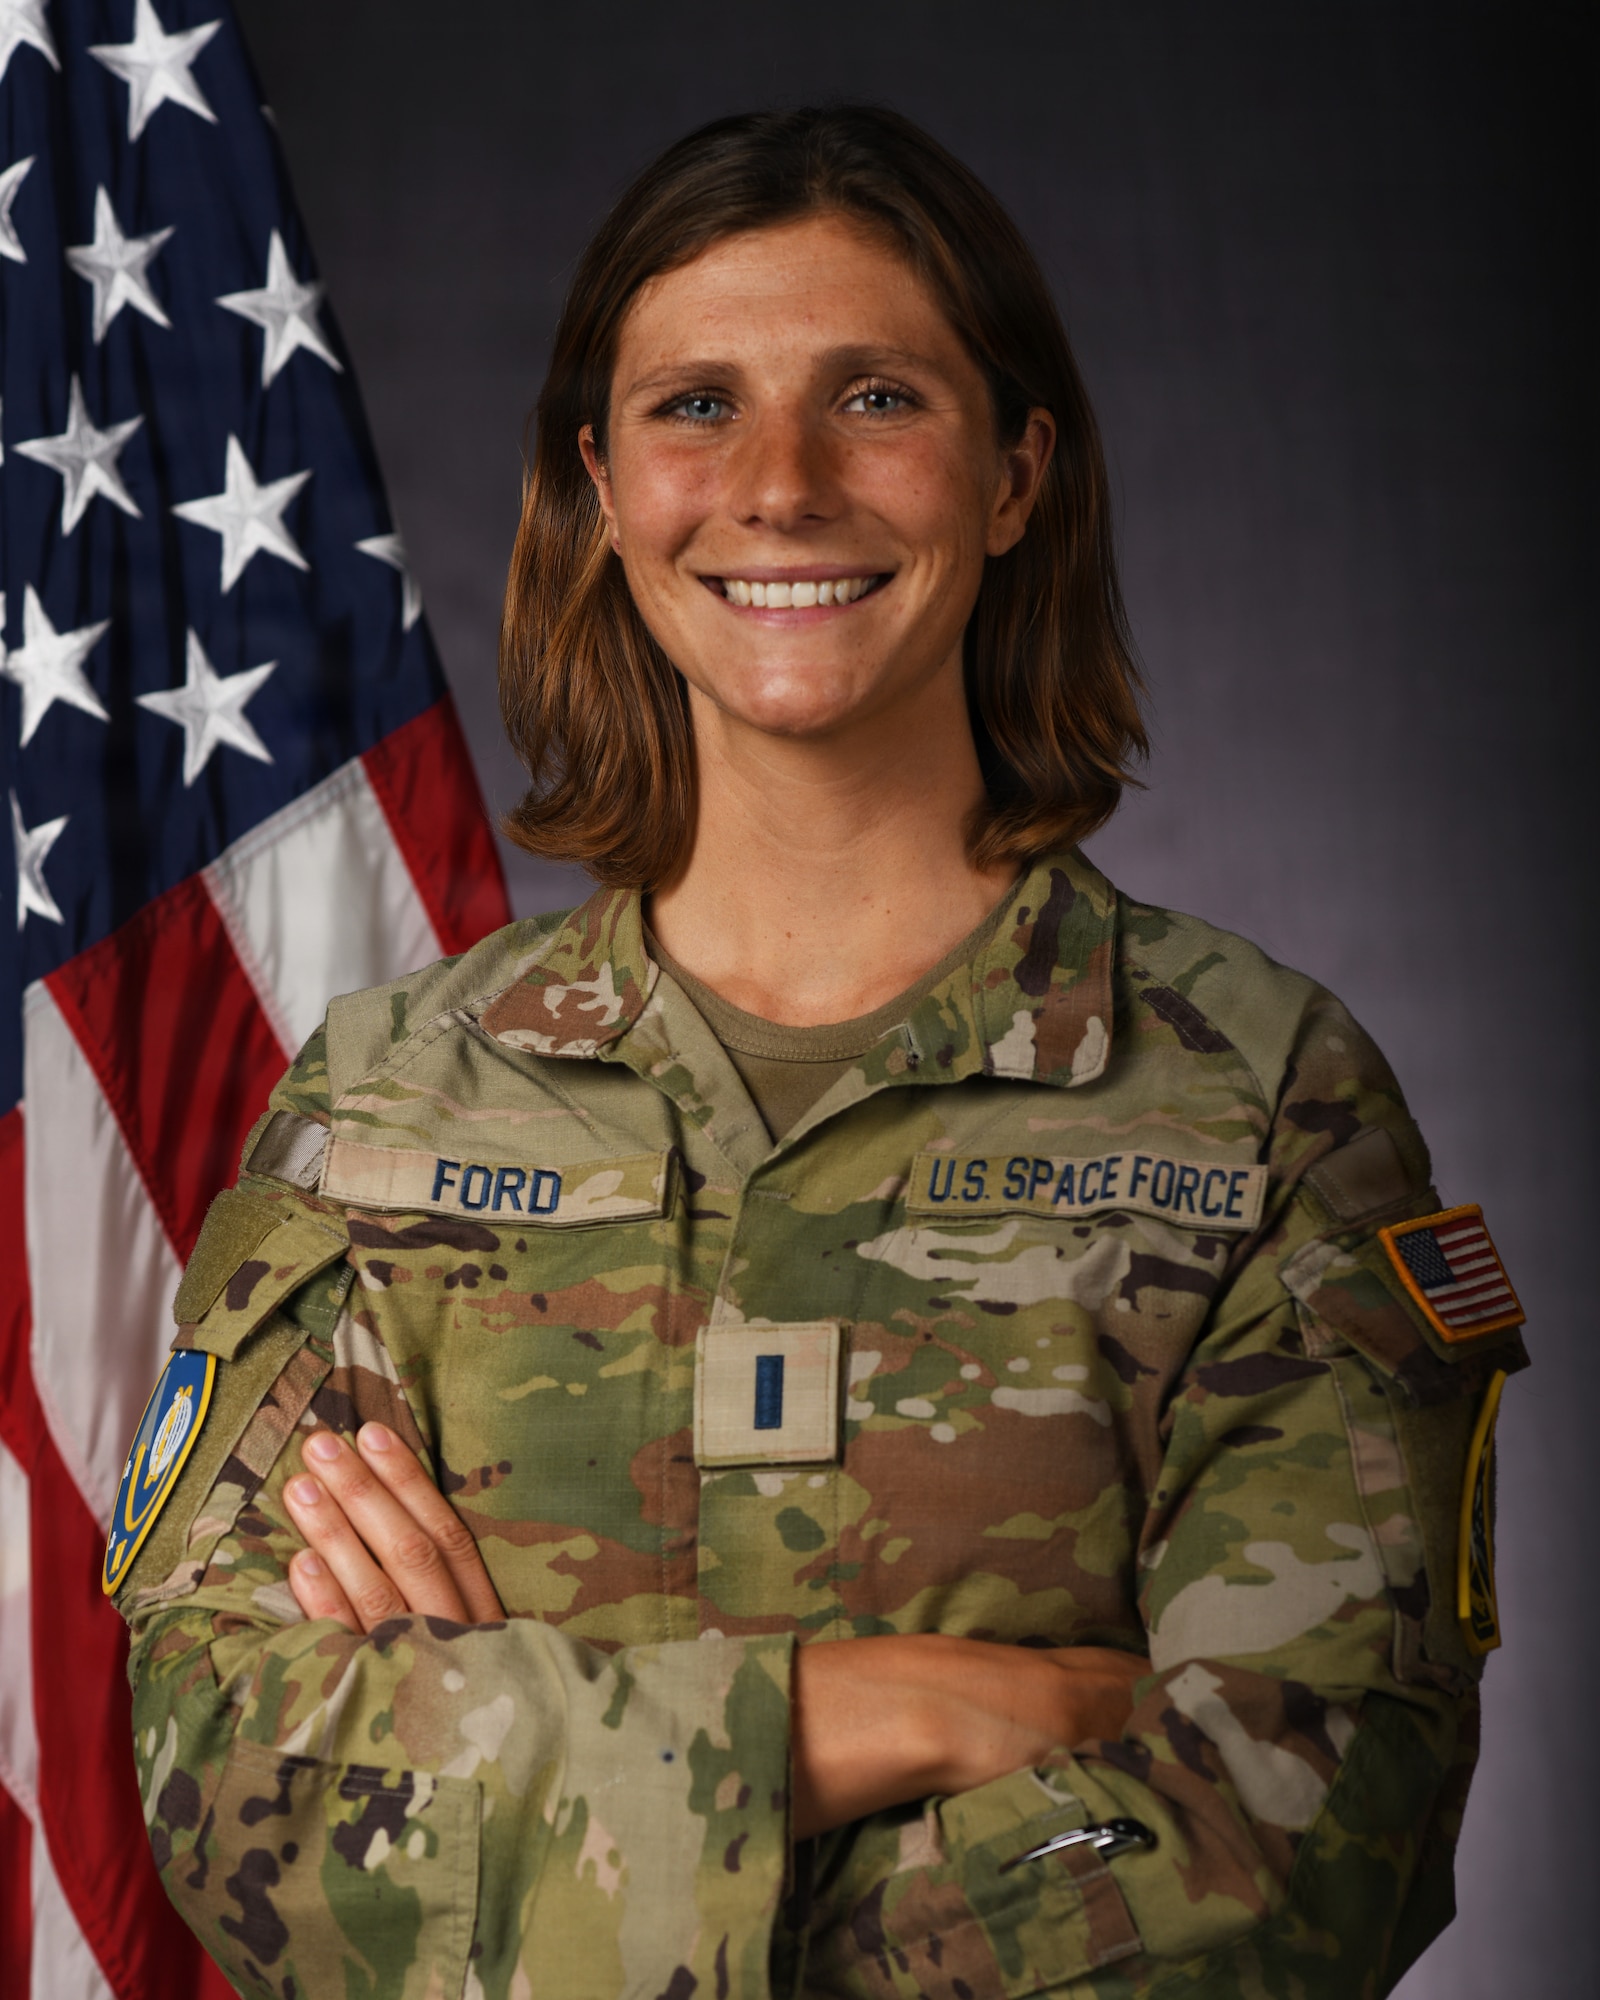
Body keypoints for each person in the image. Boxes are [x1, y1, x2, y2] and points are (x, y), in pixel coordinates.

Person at [106, 106, 1528, 1999]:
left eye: (875, 398)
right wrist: (900, 1713)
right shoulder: (379, 1109)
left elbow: (1302, 1845)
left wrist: (535, 1800)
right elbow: (237, 1795)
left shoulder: (1263, 1102)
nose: (780, 485)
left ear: (1015, 475)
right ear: (599, 487)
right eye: (696, 405)